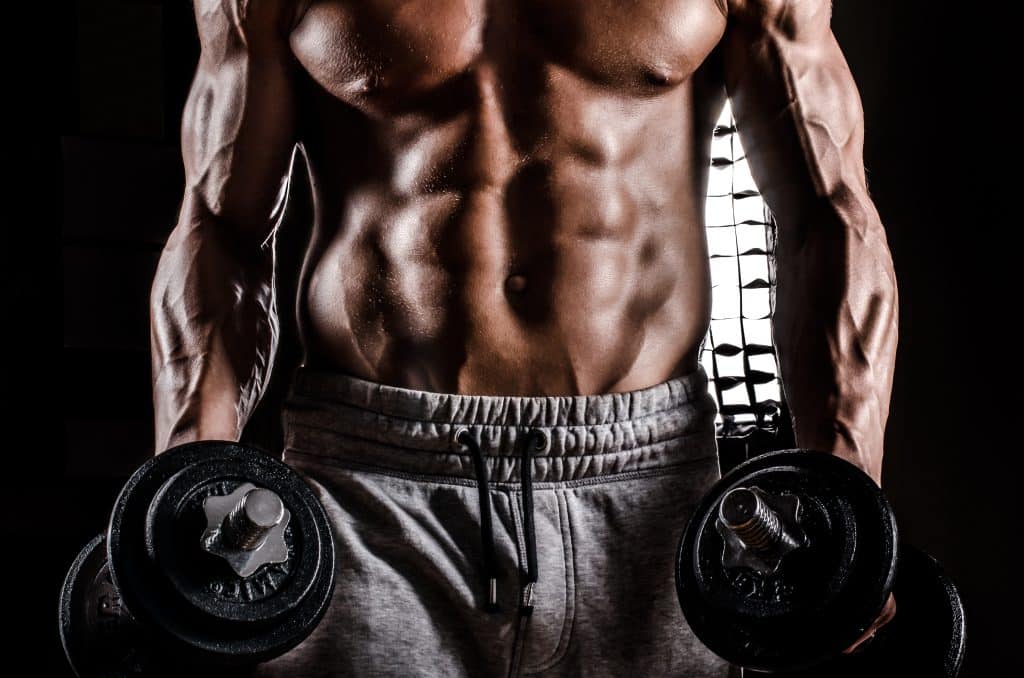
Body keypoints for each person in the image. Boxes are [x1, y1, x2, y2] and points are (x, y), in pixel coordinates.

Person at [149, 0, 898, 675]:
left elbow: (827, 214)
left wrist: (846, 492)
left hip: (646, 486)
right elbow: (221, 228)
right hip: (370, 480)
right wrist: (182, 493)